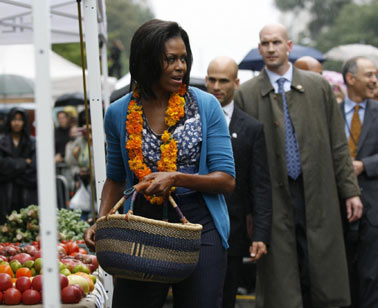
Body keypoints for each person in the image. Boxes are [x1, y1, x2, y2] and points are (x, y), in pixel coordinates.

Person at [84, 19, 236, 308]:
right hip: (138, 226)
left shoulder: (205, 106)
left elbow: (226, 180)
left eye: (183, 59)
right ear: (147, 61)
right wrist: (101, 222)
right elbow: (116, 178)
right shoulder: (118, 112)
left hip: (199, 226)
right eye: (170, 59)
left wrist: (176, 178)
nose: (181, 66)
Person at [234, 23, 363, 308]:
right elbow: (244, 159)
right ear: (260, 48)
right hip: (273, 198)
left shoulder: (318, 87)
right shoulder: (248, 93)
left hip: (318, 190)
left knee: (323, 270)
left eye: (276, 42)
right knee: (281, 275)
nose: (270, 48)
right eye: (265, 43)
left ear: (288, 46)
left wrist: (350, 191)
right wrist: (250, 210)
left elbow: (338, 144)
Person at [205, 56, 272, 308]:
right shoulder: (189, 120)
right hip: (194, 224)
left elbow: (260, 184)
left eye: (223, 80)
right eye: (211, 79)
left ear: (236, 83)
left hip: (233, 230)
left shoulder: (251, 128)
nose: (216, 86)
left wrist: (261, 235)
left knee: (227, 298)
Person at [340, 56, 378, 308]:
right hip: (337, 206)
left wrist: (366, 165)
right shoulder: (331, 111)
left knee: (371, 276)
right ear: (350, 79)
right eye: (369, 75)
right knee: (342, 275)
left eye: (376, 75)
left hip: (374, 209)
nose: (374, 80)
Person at [0, 107, 37, 225]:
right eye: (14, 119)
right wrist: (24, 163)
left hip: (26, 195)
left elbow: (33, 171)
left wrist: (10, 170)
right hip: (3, 195)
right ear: (9, 121)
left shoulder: (32, 143)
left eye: (20, 119)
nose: (16, 123)